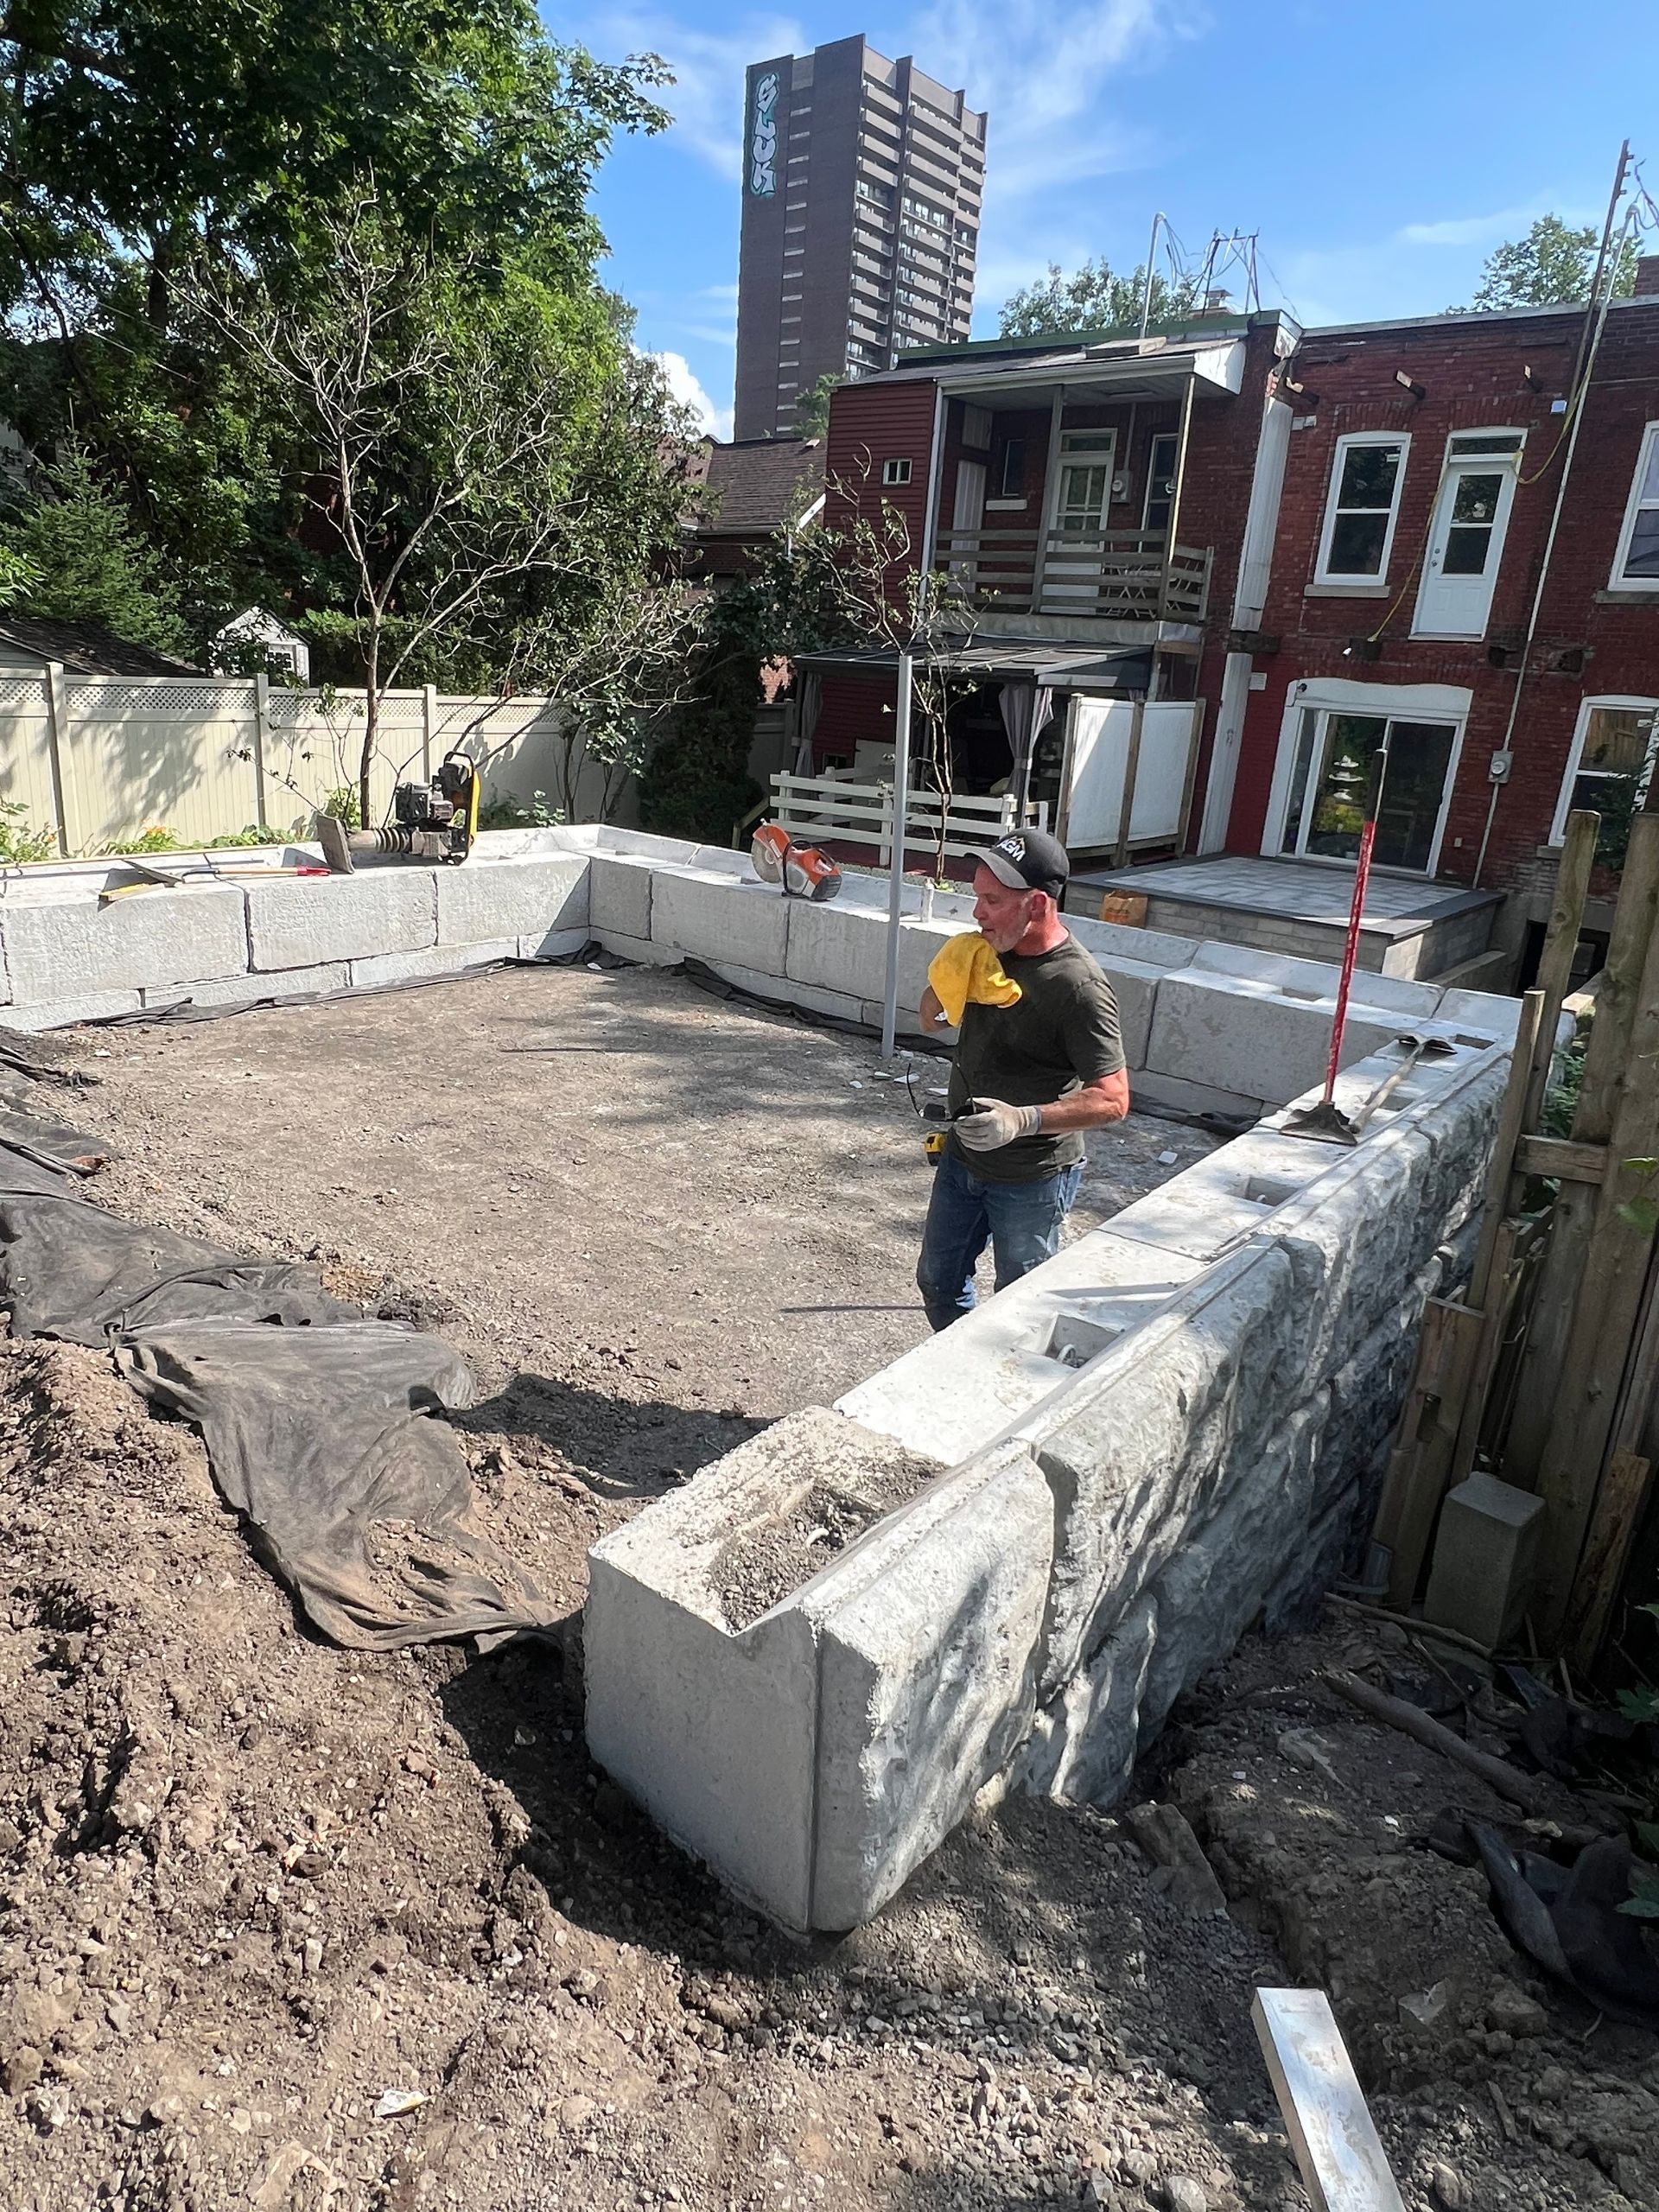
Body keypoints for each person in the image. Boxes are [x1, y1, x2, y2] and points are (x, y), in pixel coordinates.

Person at [916, 827, 1129, 1332]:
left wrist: (1023, 1120)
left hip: (1033, 1177)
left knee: (1020, 1306)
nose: (976, 914)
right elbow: (932, 1019)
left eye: (991, 901)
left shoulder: (1078, 987)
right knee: (938, 1282)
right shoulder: (988, 952)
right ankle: (963, 1362)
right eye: (976, 898)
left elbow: (1114, 1100)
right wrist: (947, 980)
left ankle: (1003, 1393)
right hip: (962, 1158)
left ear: (1036, 905)